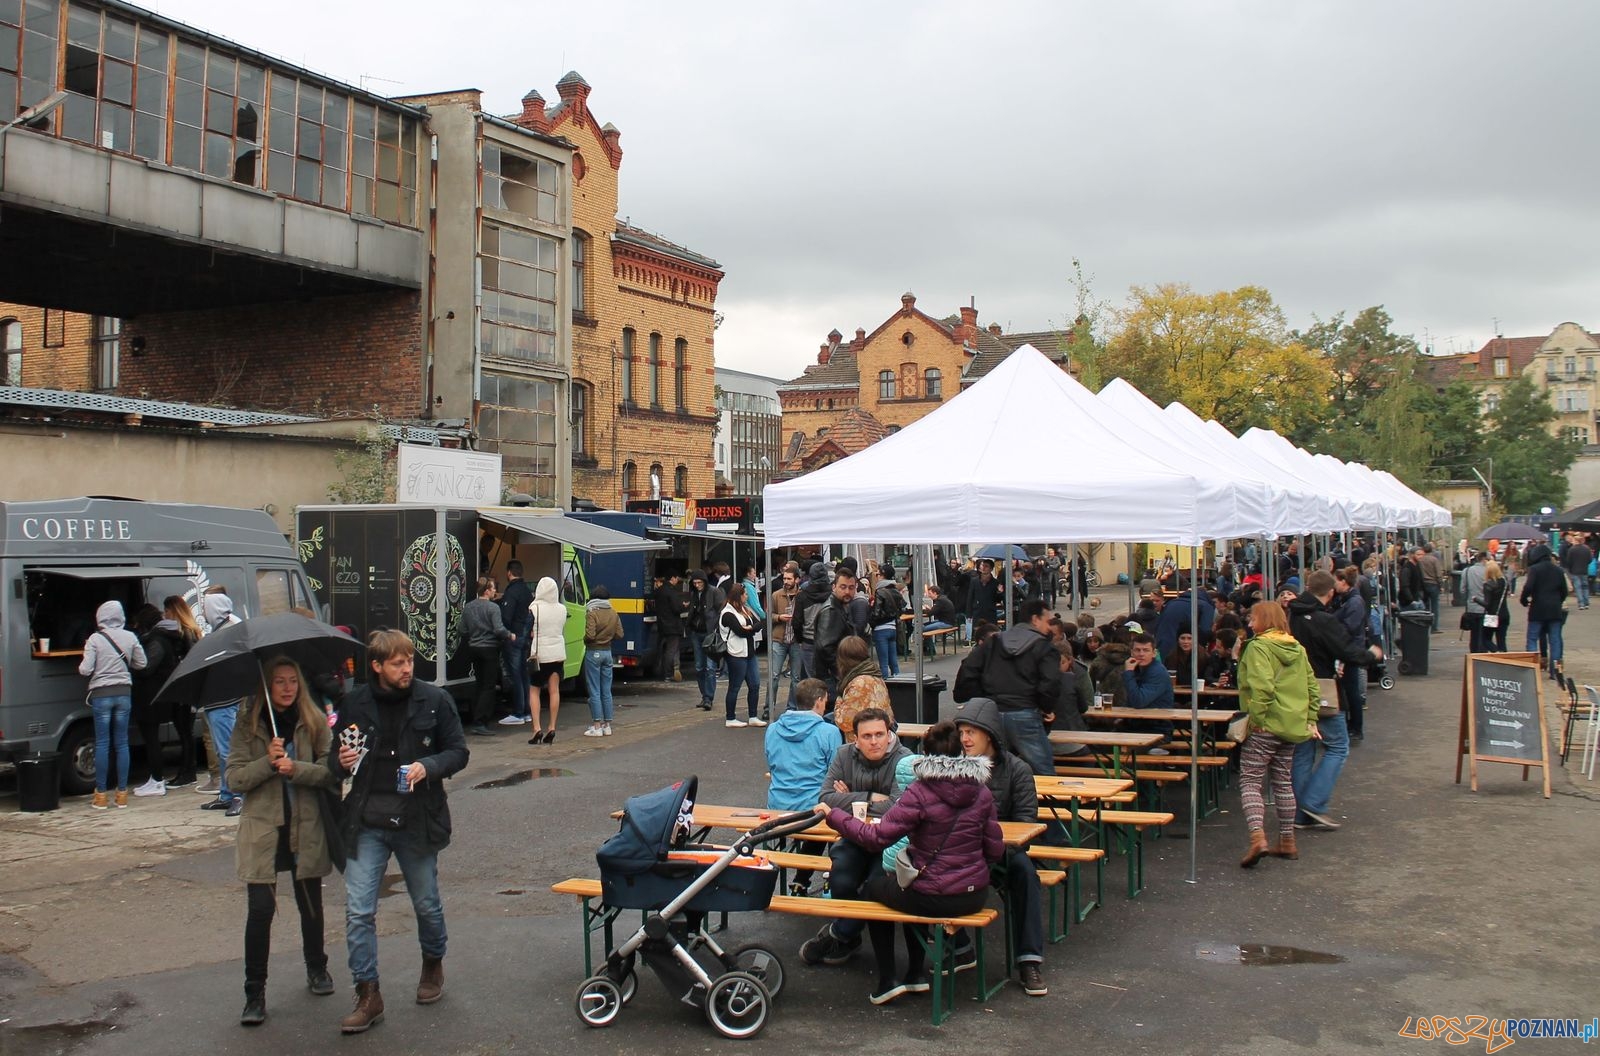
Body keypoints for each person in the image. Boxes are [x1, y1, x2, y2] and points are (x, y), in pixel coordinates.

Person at [332, 630, 469, 1034]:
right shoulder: (354, 702)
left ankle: (432, 963)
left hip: (416, 817)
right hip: (367, 820)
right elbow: (333, 763)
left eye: (409, 660)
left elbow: (458, 751)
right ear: (377, 666)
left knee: (426, 903)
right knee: (358, 910)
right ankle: (367, 992)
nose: (407, 668)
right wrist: (340, 761)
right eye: (397, 662)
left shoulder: (434, 699)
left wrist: (429, 766)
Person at [815, 720, 1002, 1006]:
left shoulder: (920, 792)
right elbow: (994, 849)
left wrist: (835, 816)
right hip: (975, 894)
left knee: (875, 891)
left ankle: (887, 979)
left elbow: (876, 838)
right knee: (906, 888)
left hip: (933, 895)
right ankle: (915, 974)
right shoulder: (982, 792)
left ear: (925, 756)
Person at [227, 656, 339, 1026]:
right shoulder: (250, 725)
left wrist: (296, 769)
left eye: (293, 680)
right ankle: (253, 992)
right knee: (260, 910)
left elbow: (330, 771)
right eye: (279, 681)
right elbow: (234, 780)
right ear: (267, 686)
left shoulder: (315, 721)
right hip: (263, 829)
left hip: (304, 825)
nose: (288, 688)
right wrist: (267, 763)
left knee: (310, 901)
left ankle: (317, 968)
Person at [798, 709, 912, 967]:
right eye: (867, 736)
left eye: (880, 734)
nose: (875, 741)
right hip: (853, 836)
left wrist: (849, 797)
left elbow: (897, 807)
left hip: (890, 841)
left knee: (875, 885)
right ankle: (849, 939)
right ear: (855, 739)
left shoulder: (905, 760)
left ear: (889, 734)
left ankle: (839, 934)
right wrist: (870, 797)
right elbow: (825, 799)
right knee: (841, 878)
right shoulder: (843, 755)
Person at [952, 697, 1051, 995]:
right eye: (961, 733)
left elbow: (1026, 823)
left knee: (1024, 873)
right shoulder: (954, 767)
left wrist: (994, 845)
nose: (965, 739)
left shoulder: (1017, 770)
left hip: (1003, 851)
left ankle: (1029, 960)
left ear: (990, 733)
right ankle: (958, 947)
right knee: (921, 868)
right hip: (961, 851)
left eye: (971, 732)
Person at [1287, 570, 1380, 826]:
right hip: (1321, 688)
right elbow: (1346, 650)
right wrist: (1371, 655)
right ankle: (1313, 802)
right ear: (1330, 592)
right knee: (1338, 746)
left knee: (1303, 750)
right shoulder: (1322, 620)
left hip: (1294, 689)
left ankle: (1299, 813)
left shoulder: (1291, 615)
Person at [1236, 602, 1319, 868]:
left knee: (1250, 782)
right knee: (1282, 782)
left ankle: (1258, 837)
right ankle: (1287, 841)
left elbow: (1262, 688)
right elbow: (1312, 686)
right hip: (1292, 726)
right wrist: (1310, 718)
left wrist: (1256, 721)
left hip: (1266, 724)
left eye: (1253, 618)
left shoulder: (1258, 647)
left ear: (1264, 620)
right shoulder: (1297, 647)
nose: (1250, 624)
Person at [952, 598, 1060, 777]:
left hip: (992, 713)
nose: (1050, 627)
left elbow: (968, 667)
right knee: (1043, 770)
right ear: (1035, 619)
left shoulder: (994, 642)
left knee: (990, 770)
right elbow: (1050, 682)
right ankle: (1051, 803)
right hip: (1025, 712)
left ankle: (990, 804)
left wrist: (981, 698)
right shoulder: (1044, 647)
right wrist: (1045, 706)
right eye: (1047, 621)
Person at [79, 600, 148, 810]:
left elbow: (85, 669)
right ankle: (122, 794)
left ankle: (101, 795)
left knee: (102, 743)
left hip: (102, 694)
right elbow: (142, 663)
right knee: (121, 743)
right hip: (124, 693)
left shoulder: (95, 639)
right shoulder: (130, 637)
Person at [199, 590, 246, 816]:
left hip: (225, 700)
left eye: (206, 607)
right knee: (221, 751)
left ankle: (238, 795)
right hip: (216, 700)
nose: (203, 612)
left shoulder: (230, 631)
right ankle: (227, 794)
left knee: (229, 751)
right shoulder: (218, 631)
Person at [130, 604, 183, 797]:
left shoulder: (156, 640)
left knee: (152, 739)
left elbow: (147, 667)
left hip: (151, 696)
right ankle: (154, 779)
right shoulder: (163, 637)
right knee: (152, 739)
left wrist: (133, 666)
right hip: (156, 695)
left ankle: (158, 781)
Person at [766, 678, 842, 812]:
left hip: (777, 805)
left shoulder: (772, 729)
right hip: (815, 809)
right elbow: (835, 776)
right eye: (825, 701)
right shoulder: (830, 732)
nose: (826, 706)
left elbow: (772, 767)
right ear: (818, 701)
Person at [160, 595, 202, 788]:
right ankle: (186, 771)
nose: (164, 614)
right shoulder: (188, 631)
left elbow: (192, 661)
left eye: (167, 611)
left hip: (186, 688)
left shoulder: (187, 633)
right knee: (183, 730)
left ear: (174, 611)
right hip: (183, 687)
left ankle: (187, 772)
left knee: (185, 731)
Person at [463, 577, 513, 737]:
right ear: (486, 591)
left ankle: (476, 718)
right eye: (492, 589)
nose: (494, 592)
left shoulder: (468, 607)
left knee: (479, 683)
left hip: (473, 648)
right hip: (490, 648)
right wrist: (510, 635)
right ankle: (480, 721)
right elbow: (498, 629)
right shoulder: (493, 608)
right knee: (489, 686)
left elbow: (461, 629)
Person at [527, 576, 566, 744]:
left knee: (534, 690)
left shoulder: (533, 607)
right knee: (554, 691)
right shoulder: (562, 609)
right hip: (557, 654)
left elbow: (528, 631)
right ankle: (552, 727)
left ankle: (536, 729)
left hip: (539, 655)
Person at [1519, 542, 1567, 680]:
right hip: (1554, 609)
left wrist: (1524, 600)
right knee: (1555, 641)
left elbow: (1528, 587)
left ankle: (1532, 670)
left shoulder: (1534, 569)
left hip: (1538, 609)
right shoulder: (1558, 570)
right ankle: (1555, 672)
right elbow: (1564, 590)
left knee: (1532, 638)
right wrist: (1558, 601)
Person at [812, 565, 860, 701]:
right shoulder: (831, 610)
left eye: (851, 588)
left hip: (834, 675)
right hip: (831, 678)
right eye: (843, 587)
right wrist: (841, 671)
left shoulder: (839, 607)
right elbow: (825, 647)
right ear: (834, 587)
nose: (847, 591)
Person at [719, 587, 765, 728]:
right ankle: (730, 718)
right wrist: (752, 628)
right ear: (737, 596)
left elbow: (759, 622)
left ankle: (753, 716)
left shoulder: (745, 609)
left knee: (755, 684)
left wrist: (751, 628)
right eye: (745, 594)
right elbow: (740, 631)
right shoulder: (727, 613)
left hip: (749, 652)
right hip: (735, 653)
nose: (747, 596)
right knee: (735, 686)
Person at [582, 585, 623, 738]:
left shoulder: (592, 613)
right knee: (606, 690)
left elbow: (590, 635)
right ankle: (607, 726)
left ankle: (596, 726)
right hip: (608, 652)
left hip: (594, 652)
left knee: (594, 690)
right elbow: (620, 634)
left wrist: (585, 640)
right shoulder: (613, 613)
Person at [496, 561, 534, 726]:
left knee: (515, 675)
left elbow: (506, 616)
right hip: (525, 637)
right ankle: (526, 711)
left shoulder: (511, 592)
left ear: (509, 573)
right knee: (524, 675)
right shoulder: (526, 591)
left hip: (514, 637)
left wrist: (506, 633)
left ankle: (518, 712)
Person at [1121, 632, 1175, 746]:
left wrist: (1128, 673)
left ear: (1154, 653)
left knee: (1123, 750)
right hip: (1136, 725)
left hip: (1157, 729)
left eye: (1146, 650)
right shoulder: (1134, 668)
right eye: (1137, 650)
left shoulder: (1157, 671)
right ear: (1131, 652)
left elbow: (1138, 701)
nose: (1141, 654)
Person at [834, 634, 889, 741]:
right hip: (878, 740)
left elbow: (845, 722)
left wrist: (839, 701)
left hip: (863, 745)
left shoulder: (859, 683)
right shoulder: (875, 676)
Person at [686, 569, 727, 711]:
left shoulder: (714, 592)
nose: (697, 585)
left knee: (710, 667)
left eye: (699, 582)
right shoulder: (694, 594)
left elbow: (721, 610)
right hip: (697, 632)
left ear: (704, 581)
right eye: (695, 583)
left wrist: (717, 628)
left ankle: (708, 697)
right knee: (699, 667)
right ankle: (705, 696)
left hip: (709, 633)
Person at [767, 566, 801, 712]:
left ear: (797, 579)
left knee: (796, 678)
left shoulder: (802, 595)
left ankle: (792, 708)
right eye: (784, 578)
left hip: (796, 640)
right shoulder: (776, 595)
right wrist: (779, 617)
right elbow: (768, 615)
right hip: (779, 638)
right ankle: (769, 707)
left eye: (789, 578)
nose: (786, 581)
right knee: (774, 675)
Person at [792, 561, 832, 682]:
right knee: (829, 678)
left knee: (812, 679)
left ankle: (817, 700)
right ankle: (829, 700)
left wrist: (799, 639)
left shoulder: (802, 596)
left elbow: (797, 622)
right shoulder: (832, 594)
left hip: (809, 641)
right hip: (829, 641)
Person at [651, 570, 688, 682]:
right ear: (673, 578)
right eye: (677, 579)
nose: (677, 581)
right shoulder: (671, 592)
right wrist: (684, 606)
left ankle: (665, 671)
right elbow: (676, 608)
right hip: (673, 625)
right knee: (671, 650)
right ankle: (668, 674)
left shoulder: (658, 591)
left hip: (662, 624)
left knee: (664, 649)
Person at [868, 573, 904, 678]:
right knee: (893, 661)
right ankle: (898, 684)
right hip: (893, 627)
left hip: (881, 629)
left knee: (883, 663)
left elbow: (876, 612)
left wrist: (872, 622)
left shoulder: (880, 592)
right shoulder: (896, 591)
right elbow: (903, 608)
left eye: (879, 574)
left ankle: (885, 685)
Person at [1479, 560, 1511, 652]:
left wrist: (1475, 599)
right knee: (1501, 640)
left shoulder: (1488, 585)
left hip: (1492, 616)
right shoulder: (1504, 582)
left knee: (1485, 639)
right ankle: (1504, 658)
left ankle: (1496, 652)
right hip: (1504, 614)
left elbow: (1487, 605)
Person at [1415, 543, 1444, 631]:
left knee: (1425, 606)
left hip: (1423, 584)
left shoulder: (1420, 561)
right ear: (1432, 550)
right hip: (1433, 584)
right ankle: (1434, 626)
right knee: (1435, 606)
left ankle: (1425, 625)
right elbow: (1439, 574)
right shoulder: (1434, 560)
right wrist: (1441, 584)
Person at [1563, 534, 1593, 610]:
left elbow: (1569, 561)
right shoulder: (1587, 548)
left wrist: (1570, 568)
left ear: (1576, 541)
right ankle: (1586, 603)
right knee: (1585, 587)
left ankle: (1581, 604)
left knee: (1578, 587)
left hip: (1574, 571)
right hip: (1584, 570)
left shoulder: (1572, 549)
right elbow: (1590, 560)